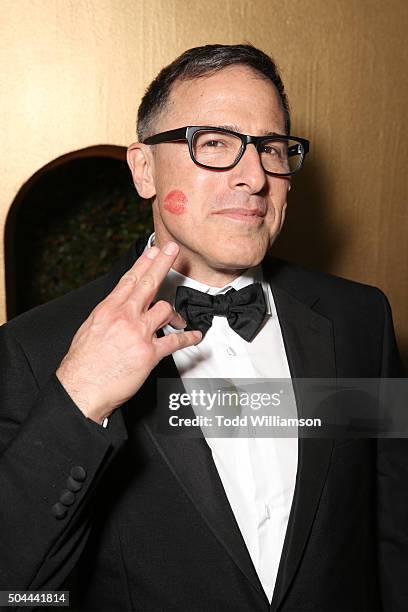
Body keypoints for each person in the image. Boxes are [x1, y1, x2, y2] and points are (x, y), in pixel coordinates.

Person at [0, 43, 406, 612]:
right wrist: (79, 402)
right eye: (213, 143)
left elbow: (390, 534)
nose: (254, 177)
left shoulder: (358, 319)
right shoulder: (31, 350)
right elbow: (17, 590)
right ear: (144, 169)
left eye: (271, 148)